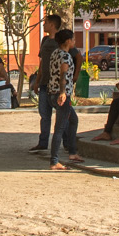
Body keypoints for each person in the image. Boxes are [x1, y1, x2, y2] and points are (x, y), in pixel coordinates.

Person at [47, 26, 81, 170]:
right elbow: (63, 75)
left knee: (73, 120)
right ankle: (54, 161)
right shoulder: (65, 56)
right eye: (73, 39)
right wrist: (63, 92)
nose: (74, 41)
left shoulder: (55, 53)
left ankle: (72, 152)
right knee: (60, 128)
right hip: (62, 94)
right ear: (68, 41)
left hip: (52, 92)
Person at [30, 13, 65, 154]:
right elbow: (42, 62)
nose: (43, 25)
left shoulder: (61, 40)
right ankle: (43, 142)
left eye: (45, 22)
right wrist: (37, 81)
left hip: (57, 85)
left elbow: (75, 56)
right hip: (44, 83)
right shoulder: (44, 40)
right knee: (44, 115)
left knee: (63, 115)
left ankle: (67, 143)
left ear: (52, 25)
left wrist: (72, 78)